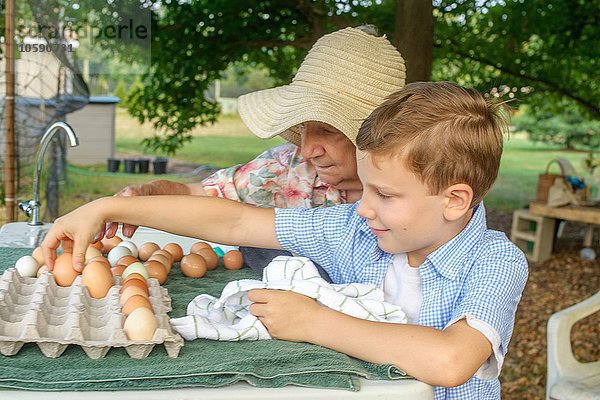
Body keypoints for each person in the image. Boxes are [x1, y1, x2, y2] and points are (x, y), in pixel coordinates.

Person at [42, 82, 528, 399]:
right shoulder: (356, 231)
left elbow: (451, 360)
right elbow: (235, 223)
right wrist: (107, 207)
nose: (363, 206)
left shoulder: (495, 261)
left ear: (455, 200)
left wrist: (314, 321)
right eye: (365, 187)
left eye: (384, 193)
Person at [112, 25, 406, 238]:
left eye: (328, 129)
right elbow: (198, 194)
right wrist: (144, 193)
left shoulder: (424, 179)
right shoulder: (286, 169)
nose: (307, 151)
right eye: (301, 127)